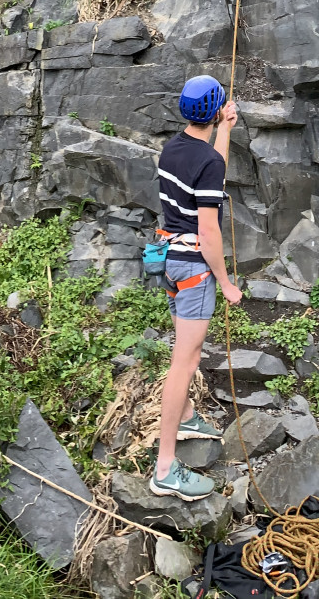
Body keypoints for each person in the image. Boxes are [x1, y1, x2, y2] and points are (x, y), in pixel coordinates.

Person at [149, 75, 243, 501]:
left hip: (169, 263)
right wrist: (226, 283)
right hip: (194, 271)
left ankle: (185, 414)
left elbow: (211, 178)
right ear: (217, 107)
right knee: (183, 366)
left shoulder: (174, 148)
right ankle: (165, 468)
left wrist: (224, 130)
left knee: (180, 353)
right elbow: (209, 232)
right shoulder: (209, 163)